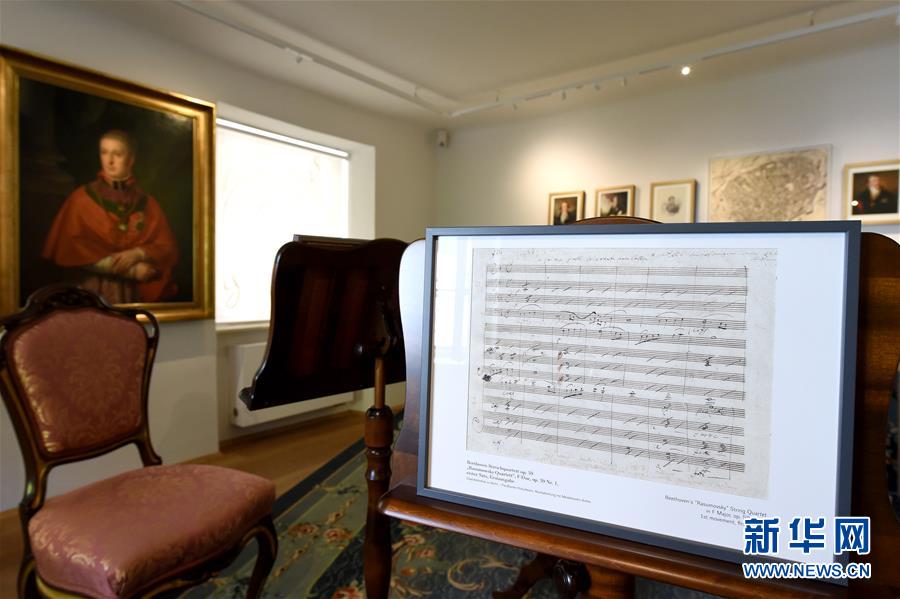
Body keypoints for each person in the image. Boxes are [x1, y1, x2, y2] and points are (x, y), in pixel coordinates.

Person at [42, 130, 178, 303]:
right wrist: (131, 271)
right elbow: (73, 252)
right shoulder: (81, 199)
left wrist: (139, 253)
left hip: (132, 293)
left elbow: (166, 247)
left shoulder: (147, 203)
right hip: (90, 290)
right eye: (104, 152)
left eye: (117, 154)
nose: (109, 161)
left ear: (131, 159)